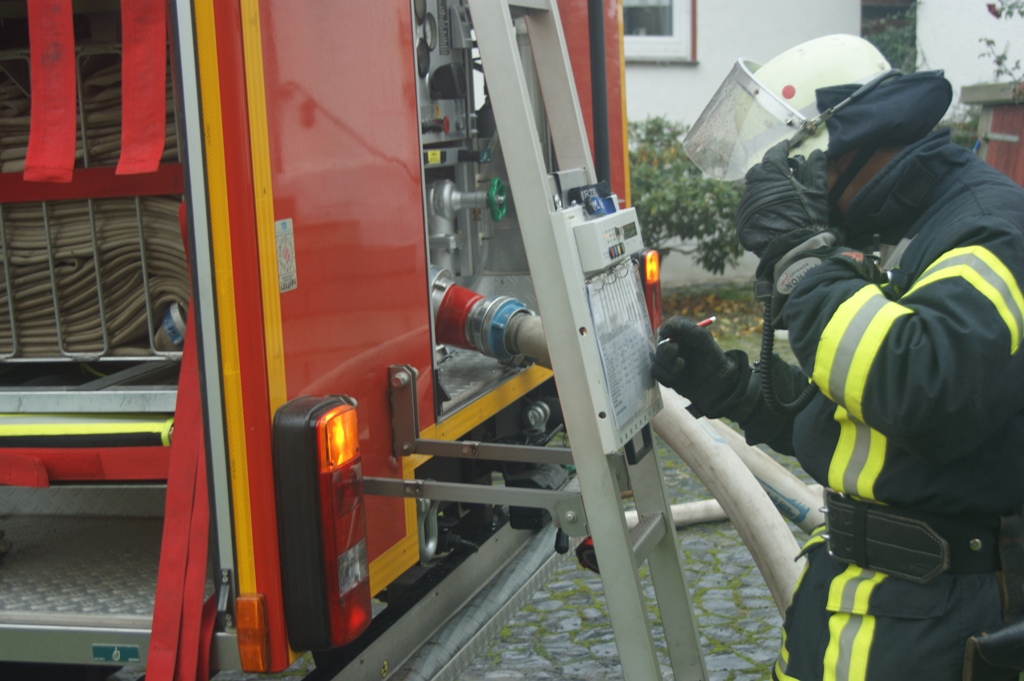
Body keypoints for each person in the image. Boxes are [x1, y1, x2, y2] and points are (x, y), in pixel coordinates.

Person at [653, 34, 1024, 680]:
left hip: (936, 621)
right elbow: (869, 420)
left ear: (837, 147)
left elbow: (922, 390)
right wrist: (737, 391)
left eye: (793, 171)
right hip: (874, 608)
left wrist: (805, 265)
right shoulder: (906, 225)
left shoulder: (988, 229)